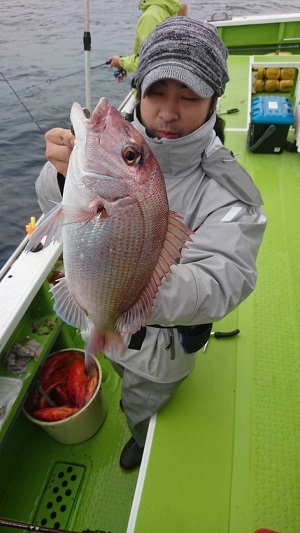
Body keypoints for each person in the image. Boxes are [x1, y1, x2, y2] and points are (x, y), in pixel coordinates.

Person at [36, 17, 267, 471]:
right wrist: (63, 176)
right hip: (95, 316)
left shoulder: (229, 192)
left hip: (160, 352)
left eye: (189, 97)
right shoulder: (109, 144)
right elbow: (52, 211)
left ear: (215, 101)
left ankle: (140, 435)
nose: (167, 111)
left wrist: (132, 293)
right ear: (138, 92)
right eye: (156, 92)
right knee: (113, 367)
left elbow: (224, 281)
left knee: (144, 399)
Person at [108, 0, 182, 78]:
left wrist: (121, 62)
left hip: (153, 84)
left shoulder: (150, 17)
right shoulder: (169, 10)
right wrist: (125, 65)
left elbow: (150, 61)